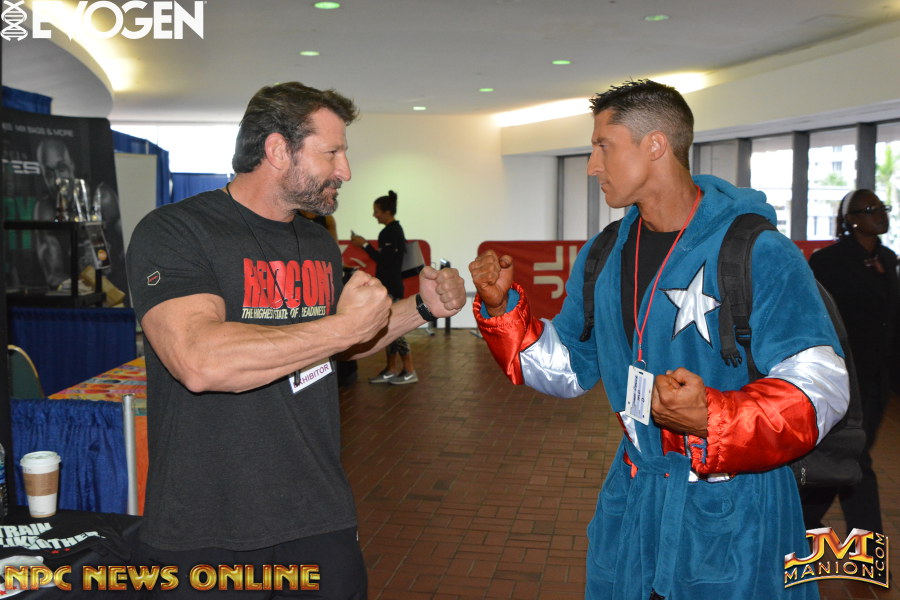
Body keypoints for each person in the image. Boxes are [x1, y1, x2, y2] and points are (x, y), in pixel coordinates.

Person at [468, 79, 849, 599]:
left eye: (603, 146)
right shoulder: (604, 255)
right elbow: (569, 369)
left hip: (740, 519)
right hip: (634, 507)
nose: (591, 166)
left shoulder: (758, 251)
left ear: (654, 145)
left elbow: (823, 385)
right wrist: (502, 311)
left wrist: (715, 418)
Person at [126, 82, 466, 599]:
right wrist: (343, 326)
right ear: (277, 150)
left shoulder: (315, 240)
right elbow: (199, 361)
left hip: (317, 512)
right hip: (207, 525)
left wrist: (421, 308)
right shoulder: (176, 231)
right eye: (332, 152)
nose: (345, 170)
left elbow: (333, 344)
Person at [802, 189, 899, 535]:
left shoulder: (887, 258)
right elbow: (815, 317)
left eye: (882, 207)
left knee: (851, 453)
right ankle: (867, 541)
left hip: (878, 375)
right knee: (855, 455)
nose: (881, 214)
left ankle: (804, 518)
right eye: (871, 209)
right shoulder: (828, 262)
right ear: (852, 220)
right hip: (842, 373)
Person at [350, 190, 417, 385]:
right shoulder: (393, 231)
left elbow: (385, 261)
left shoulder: (391, 232)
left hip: (392, 287)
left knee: (396, 330)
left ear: (387, 212)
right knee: (388, 330)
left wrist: (364, 245)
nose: (374, 215)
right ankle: (391, 369)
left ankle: (409, 370)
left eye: (377, 211)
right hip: (389, 286)